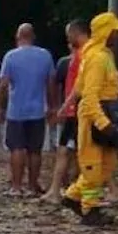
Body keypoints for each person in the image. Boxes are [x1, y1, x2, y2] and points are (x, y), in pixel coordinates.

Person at [62, 12, 118, 226]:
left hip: (107, 110)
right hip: (95, 115)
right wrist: (104, 124)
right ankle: (90, 209)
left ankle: (73, 196)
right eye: (115, 31)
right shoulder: (97, 58)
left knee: (107, 163)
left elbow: (80, 86)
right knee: (92, 163)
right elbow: (89, 96)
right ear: (105, 32)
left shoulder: (102, 54)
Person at [0, 23, 56, 197]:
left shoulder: (11, 57)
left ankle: (16, 186)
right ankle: (32, 185)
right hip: (37, 110)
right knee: (35, 150)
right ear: (33, 36)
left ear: (18, 36)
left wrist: (0, 107)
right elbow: (51, 83)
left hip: (16, 111)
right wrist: (52, 106)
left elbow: (3, 85)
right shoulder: (45, 55)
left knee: (17, 148)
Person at [41, 20, 89, 204]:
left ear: (76, 33)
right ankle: (56, 189)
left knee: (80, 153)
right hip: (73, 110)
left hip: (80, 110)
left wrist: (64, 107)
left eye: (69, 34)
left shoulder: (86, 55)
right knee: (66, 151)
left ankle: (101, 188)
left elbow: (80, 87)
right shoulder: (76, 57)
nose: (67, 39)